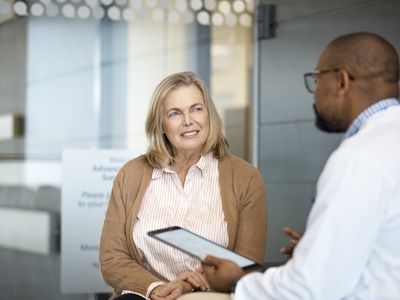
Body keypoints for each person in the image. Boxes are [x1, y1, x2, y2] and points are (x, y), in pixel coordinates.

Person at [181, 32, 400, 299]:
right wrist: (314, 252)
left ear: (341, 81)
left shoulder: (359, 156)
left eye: (317, 78)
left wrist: (238, 282)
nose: (315, 92)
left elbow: (311, 287)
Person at [99, 71, 268, 300]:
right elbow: (112, 258)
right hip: (145, 295)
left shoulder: (246, 178)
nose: (188, 121)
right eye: (175, 113)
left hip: (210, 296)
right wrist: (156, 287)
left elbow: (246, 267)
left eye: (196, 108)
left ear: (209, 114)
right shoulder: (131, 174)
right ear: (160, 124)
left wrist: (189, 286)